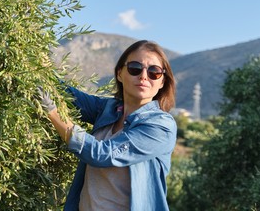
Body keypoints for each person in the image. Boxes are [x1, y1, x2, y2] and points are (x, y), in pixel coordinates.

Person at [38, 40, 177, 211]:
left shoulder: (161, 127)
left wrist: (52, 112)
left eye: (154, 72)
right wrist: (37, 68)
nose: (143, 76)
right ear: (120, 73)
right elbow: (68, 95)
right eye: (135, 68)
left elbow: (102, 154)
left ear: (162, 81)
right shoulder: (108, 109)